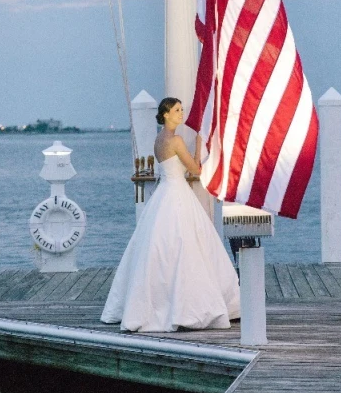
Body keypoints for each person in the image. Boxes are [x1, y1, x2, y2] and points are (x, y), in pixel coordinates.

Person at [101, 97, 241, 331]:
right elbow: (195, 168)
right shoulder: (175, 140)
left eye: (181, 109)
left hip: (165, 193)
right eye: (176, 110)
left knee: (159, 246)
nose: (181, 113)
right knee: (189, 244)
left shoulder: (159, 139)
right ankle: (191, 306)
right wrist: (198, 146)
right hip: (177, 193)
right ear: (165, 114)